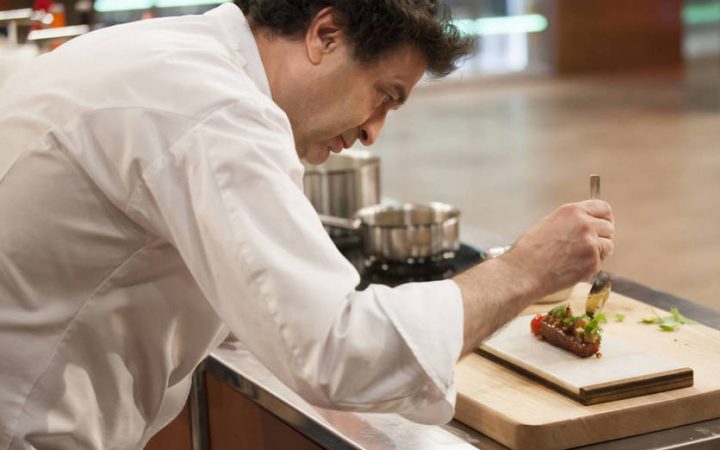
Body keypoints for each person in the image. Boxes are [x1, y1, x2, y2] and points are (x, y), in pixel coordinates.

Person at [0, 0, 615, 448]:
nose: (374, 130)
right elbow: (334, 351)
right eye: (385, 94)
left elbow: (262, 301)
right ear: (325, 34)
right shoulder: (218, 110)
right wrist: (524, 269)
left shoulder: (171, 54)